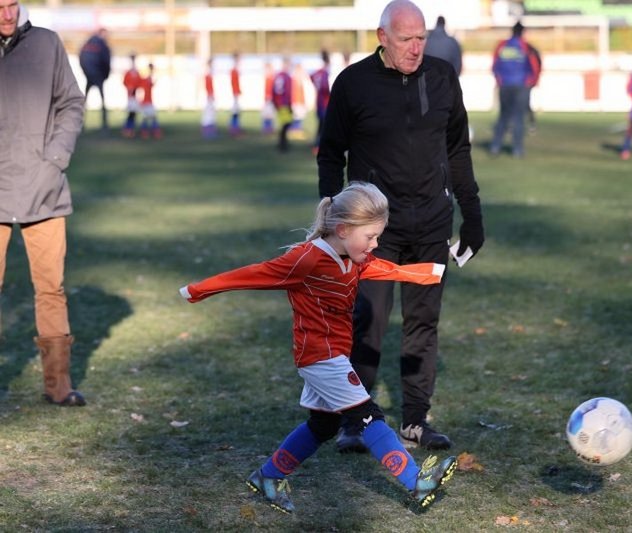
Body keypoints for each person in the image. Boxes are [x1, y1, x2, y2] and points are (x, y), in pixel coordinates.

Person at [179, 182, 458, 513]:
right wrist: (197, 290)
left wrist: (432, 271)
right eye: (370, 237)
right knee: (368, 416)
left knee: (324, 424)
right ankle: (416, 482)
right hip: (319, 357)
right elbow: (255, 274)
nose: (376, 244)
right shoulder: (307, 259)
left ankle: (268, 478)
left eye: (377, 237)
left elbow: (387, 268)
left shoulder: (354, 258)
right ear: (342, 230)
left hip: (334, 355)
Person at [317, 0, 484, 453]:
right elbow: (331, 153)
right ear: (382, 37)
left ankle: (415, 419)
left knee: (423, 322)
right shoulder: (353, 83)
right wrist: (331, 217)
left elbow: (458, 150)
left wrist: (472, 214)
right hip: (374, 230)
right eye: (406, 39)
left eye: (421, 38)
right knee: (368, 320)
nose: (415, 48)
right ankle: (355, 420)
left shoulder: (442, 77)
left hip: (432, 224)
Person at [0, 0, 86, 406]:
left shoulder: (47, 44)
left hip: (44, 187)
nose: (7, 14)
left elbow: (71, 102)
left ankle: (58, 386)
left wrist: (56, 158)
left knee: (51, 289)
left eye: (12, 4)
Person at [489, 20, 541, 158]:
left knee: (503, 116)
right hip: (521, 86)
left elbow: (494, 65)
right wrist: (531, 82)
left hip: (505, 85)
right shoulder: (526, 47)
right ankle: (517, 150)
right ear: (523, 32)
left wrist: (499, 80)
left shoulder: (502, 45)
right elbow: (535, 67)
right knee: (519, 118)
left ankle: (495, 147)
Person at [78, 28, 111, 131]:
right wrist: (105, 75)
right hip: (98, 76)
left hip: (89, 76)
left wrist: (86, 73)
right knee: (102, 100)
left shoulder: (87, 43)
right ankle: (104, 125)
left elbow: (81, 58)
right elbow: (106, 60)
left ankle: (81, 124)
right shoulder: (102, 44)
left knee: (85, 100)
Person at [309, 49, 330, 155]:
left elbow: (311, 77)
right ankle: (318, 146)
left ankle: (316, 145)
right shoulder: (324, 73)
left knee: (321, 126)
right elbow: (325, 88)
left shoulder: (318, 72)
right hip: (325, 104)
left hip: (319, 102)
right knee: (324, 127)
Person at [272, 55, 293, 152]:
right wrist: (289, 104)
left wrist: (274, 102)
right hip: (284, 103)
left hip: (278, 103)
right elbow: (288, 92)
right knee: (286, 123)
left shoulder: (277, 75)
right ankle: (282, 143)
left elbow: (273, 90)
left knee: (284, 123)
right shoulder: (286, 77)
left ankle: (282, 142)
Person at [138, 62, 162, 139]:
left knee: (150, 117)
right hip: (146, 102)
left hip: (149, 101)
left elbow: (152, 84)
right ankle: (149, 131)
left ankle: (149, 131)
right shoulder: (144, 80)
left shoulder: (148, 79)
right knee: (149, 117)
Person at [121, 53, 141, 138]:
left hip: (135, 96)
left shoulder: (136, 72)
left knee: (133, 114)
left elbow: (140, 82)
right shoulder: (129, 72)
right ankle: (127, 129)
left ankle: (130, 130)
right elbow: (125, 82)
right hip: (130, 96)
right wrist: (129, 87)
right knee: (131, 114)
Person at [201, 57, 217, 139]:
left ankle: (210, 130)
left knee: (211, 113)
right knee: (208, 113)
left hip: (210, 95)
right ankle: (207, 131)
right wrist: (210, 95)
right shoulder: (208, 73)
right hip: (208, 96)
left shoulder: (210, 73)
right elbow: (208, 86)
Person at [229, 51, 243, 137]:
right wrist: (236, 91)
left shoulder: (236, 69)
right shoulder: (234, 70)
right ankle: (234, 129)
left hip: (236, 93)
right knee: (235, 112)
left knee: (237, 111)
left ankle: (236, 129)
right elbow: (233, 83)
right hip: (235, 94)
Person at [261, 61, 275, 134]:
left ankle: (269, 128)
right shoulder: (266, 78)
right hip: (267, 99)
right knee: (266, 114)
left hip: (271, 99)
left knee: (270, 114)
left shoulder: (272, 78)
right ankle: (266, 128)